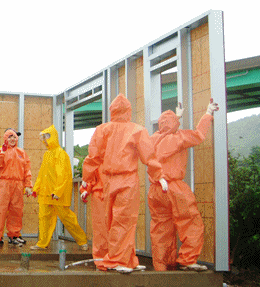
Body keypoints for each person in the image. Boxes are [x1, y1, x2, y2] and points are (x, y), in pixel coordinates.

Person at [82, 94, 168, 273]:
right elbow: (148, 156)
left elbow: (92, 156)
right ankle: (118, 261)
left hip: (108, 181)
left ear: (112, 110)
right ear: (129, 111)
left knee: (111, 222)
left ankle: (125, 260)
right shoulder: (137, 130)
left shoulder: (102, 129)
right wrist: (158, 175)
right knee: (125, 221)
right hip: (128, 180)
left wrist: (86, 178)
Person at [148, 99, 219, 272]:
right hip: (174, 187)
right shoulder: (178, 138)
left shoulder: (152, 139)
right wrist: (208, 113)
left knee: (161, 227)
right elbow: (199, 135)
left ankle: (161, 265)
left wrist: (177, 117)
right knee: (190, 222)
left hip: (155, 189)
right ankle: (187, 260)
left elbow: (166, 129)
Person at [31, 125, 89, 251]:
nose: (45, 140)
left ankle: (82, 240)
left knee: (67, 218)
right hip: (46, 193)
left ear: (53, 137)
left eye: (47, 137)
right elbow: (42, 173)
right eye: (43, 138)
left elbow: (63, 175)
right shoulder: (47, 154)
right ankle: (42, 243)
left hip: (57, 194)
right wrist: (36, 188)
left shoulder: (61, 154)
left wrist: (57, 191)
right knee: (44, 219)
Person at [0, 128, 32, 247]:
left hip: (18, 185)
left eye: (14, 137)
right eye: (10, 136)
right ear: (5, 138)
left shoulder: (22, 153)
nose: (12, 139)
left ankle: (14, 235)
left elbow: (27, 170)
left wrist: (28, 185)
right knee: (0, 210)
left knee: (16, 211)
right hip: (3, 184)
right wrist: (2, 153)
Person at [79, 166, 109, 269]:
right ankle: (112, 260)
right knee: (109, 228)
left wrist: (85, 190)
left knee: (101, 229)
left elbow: (90, 174)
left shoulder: (95, 159)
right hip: (112, 193)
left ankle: (103, 261)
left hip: (102, 193)